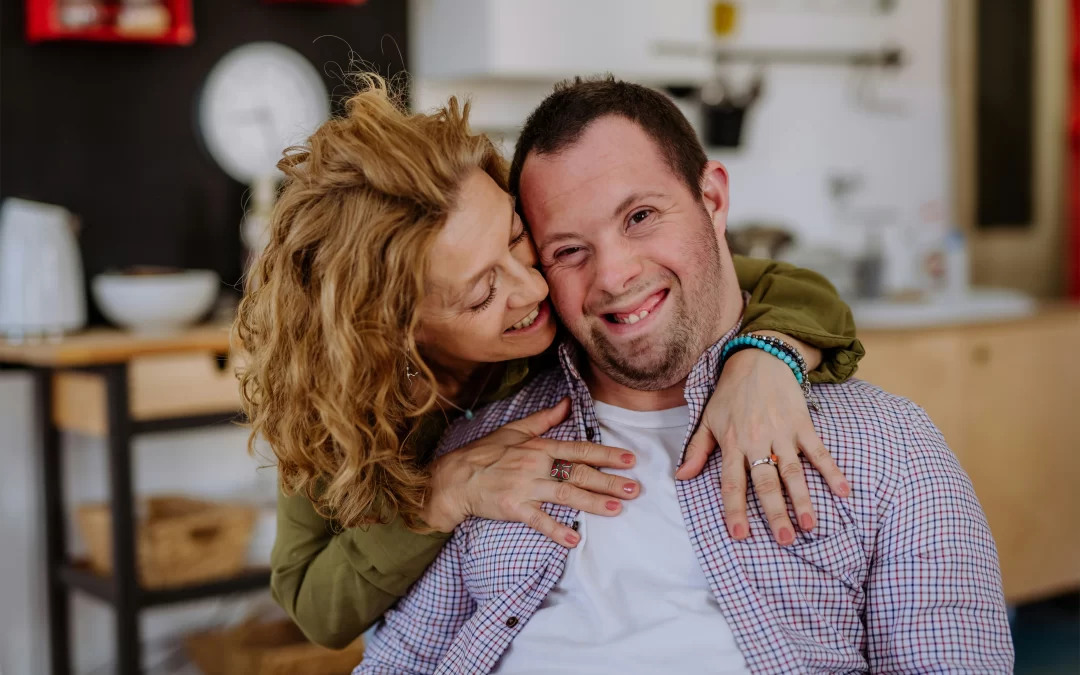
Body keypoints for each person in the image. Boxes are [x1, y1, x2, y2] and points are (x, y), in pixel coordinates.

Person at [354, 77, 1014, 674]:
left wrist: (772, 352)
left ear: (714, 198)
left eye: (640, 217)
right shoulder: (487, 451)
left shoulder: (888, 451)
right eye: (568, 250)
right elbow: (394, 662)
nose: (612, 275)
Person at [234, 76, 863, 650]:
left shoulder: (568, 290)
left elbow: (785, 284)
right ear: (394, 333)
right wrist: (440, 496)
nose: (532, 290)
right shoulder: (338, 402)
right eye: (482, 292)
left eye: (515, 235)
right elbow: (313, 607)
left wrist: (768, 356)